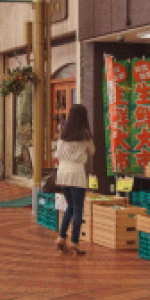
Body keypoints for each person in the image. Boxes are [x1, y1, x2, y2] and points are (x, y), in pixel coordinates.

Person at [54, 104, 95, 255]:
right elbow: (92, 151)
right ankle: (75, 242)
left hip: (63, 173)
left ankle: (61, 237)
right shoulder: (84, 137)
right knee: (77, 209)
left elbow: (57, 155)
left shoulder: (63, 135)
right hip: (77, 174)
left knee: (70, 207)